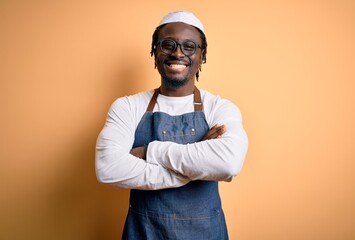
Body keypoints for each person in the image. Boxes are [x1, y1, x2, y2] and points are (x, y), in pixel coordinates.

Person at [95, 10, 248, 240]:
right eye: (168, 44)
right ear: (154, 51)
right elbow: (108, 168)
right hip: (144, 233)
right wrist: (193, 171)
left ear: (202, 55)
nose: (178, 53)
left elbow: (229, 163)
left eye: (189, 46)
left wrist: (149, 151)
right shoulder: (128, 107)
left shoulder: (219, 108)